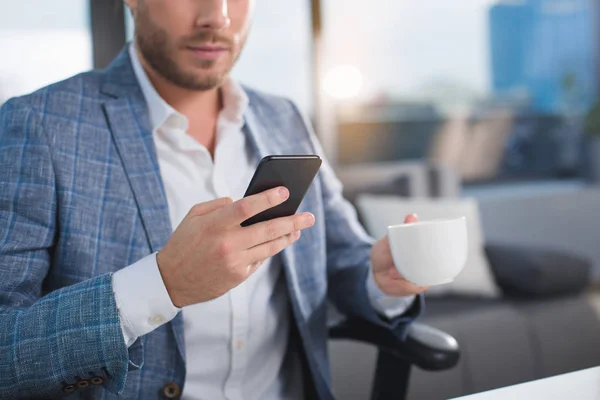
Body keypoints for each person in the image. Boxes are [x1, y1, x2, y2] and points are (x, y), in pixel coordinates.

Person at [0, 1, 427, 399]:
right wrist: (162, 284)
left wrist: (380, 278)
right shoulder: (39, 125)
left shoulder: (284, 117)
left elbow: (342, 257)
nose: (217, 17)